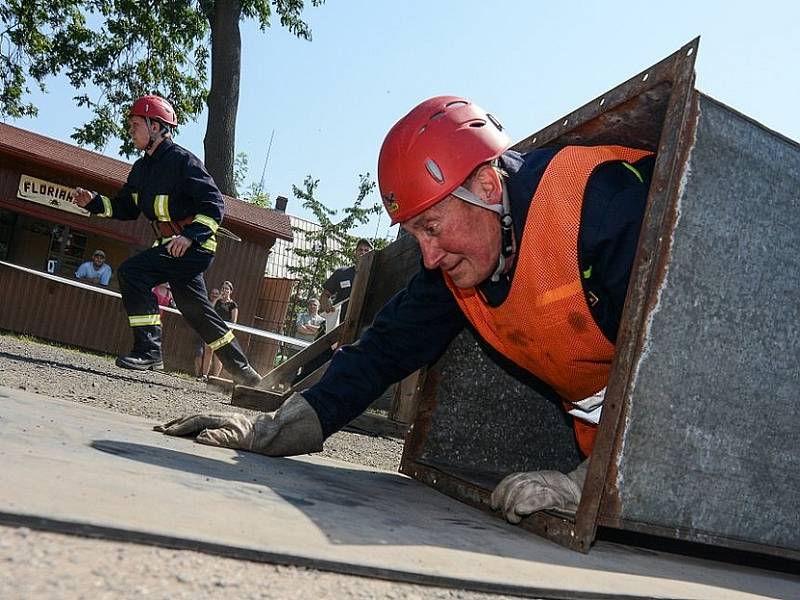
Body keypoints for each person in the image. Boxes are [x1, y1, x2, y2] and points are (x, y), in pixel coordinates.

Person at [157, 96, 654, 523]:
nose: (431, 256)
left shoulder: (602, 207)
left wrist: (592, 482)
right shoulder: (464, 262)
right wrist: (281, 426)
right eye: (416, 236)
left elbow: (685, 354)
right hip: (614, 462)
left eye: (433, 227)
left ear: (486, 185)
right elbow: (385, 348)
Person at [71, 94, 261, 386]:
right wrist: (94, 202)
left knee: (132, 272)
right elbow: (126, 208)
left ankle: (149, 351)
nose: (130, 130)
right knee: (196, 311)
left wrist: (189, 236)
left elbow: (214, 205)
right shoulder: (141, 169)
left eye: (135, 124)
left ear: (156, 126)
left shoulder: (184, 162)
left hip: (194, 247)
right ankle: (245, 373)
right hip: (171, 248)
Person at [319, 238, 374, 327]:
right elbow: (324, 295)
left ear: (372, 253)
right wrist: (326, 303)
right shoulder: (342, 272)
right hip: (337, 323)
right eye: (360, 250)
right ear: (355, 252)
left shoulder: (375, 276)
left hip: (361, 324)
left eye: (366, 250)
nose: (363, 252)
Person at [201, 280, 239, 379]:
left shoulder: (233, 305)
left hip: (224, 333)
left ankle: (215, 378)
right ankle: (204, 375)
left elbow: (234, 321)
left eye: (227, 289)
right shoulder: (217, 302)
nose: (224, 291)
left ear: (230, 291)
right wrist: (217, 299)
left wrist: (228, 334)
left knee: (219, 355)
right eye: (223, 288)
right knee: (208, 351)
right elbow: (210, 310)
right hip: (212, 330)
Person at [195, 287, 220, 380]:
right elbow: (209, 310)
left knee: (215, 355)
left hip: (216, 333)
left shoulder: (225, 304)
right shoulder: (208, 302)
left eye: (217, 294)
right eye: (213, 293)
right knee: (200, 353)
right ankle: (200, 375)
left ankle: (213, 378)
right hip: (204, 331)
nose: (214, 295)